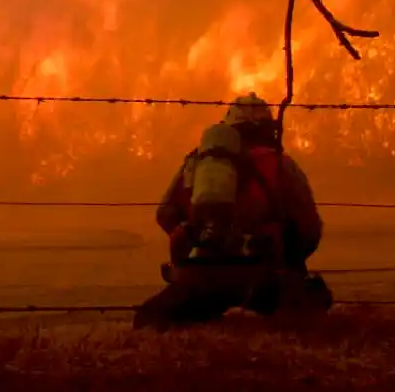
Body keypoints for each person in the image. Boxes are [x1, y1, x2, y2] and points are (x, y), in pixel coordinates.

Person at [133, 92, 332, 330]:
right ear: (268, 130)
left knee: (150, 320)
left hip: (200, 279)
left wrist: (198, 234)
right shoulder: (280, 165)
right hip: (264, 279)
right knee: (315, 302)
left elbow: (164, 213)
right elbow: (309, 231)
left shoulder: (197, 163)